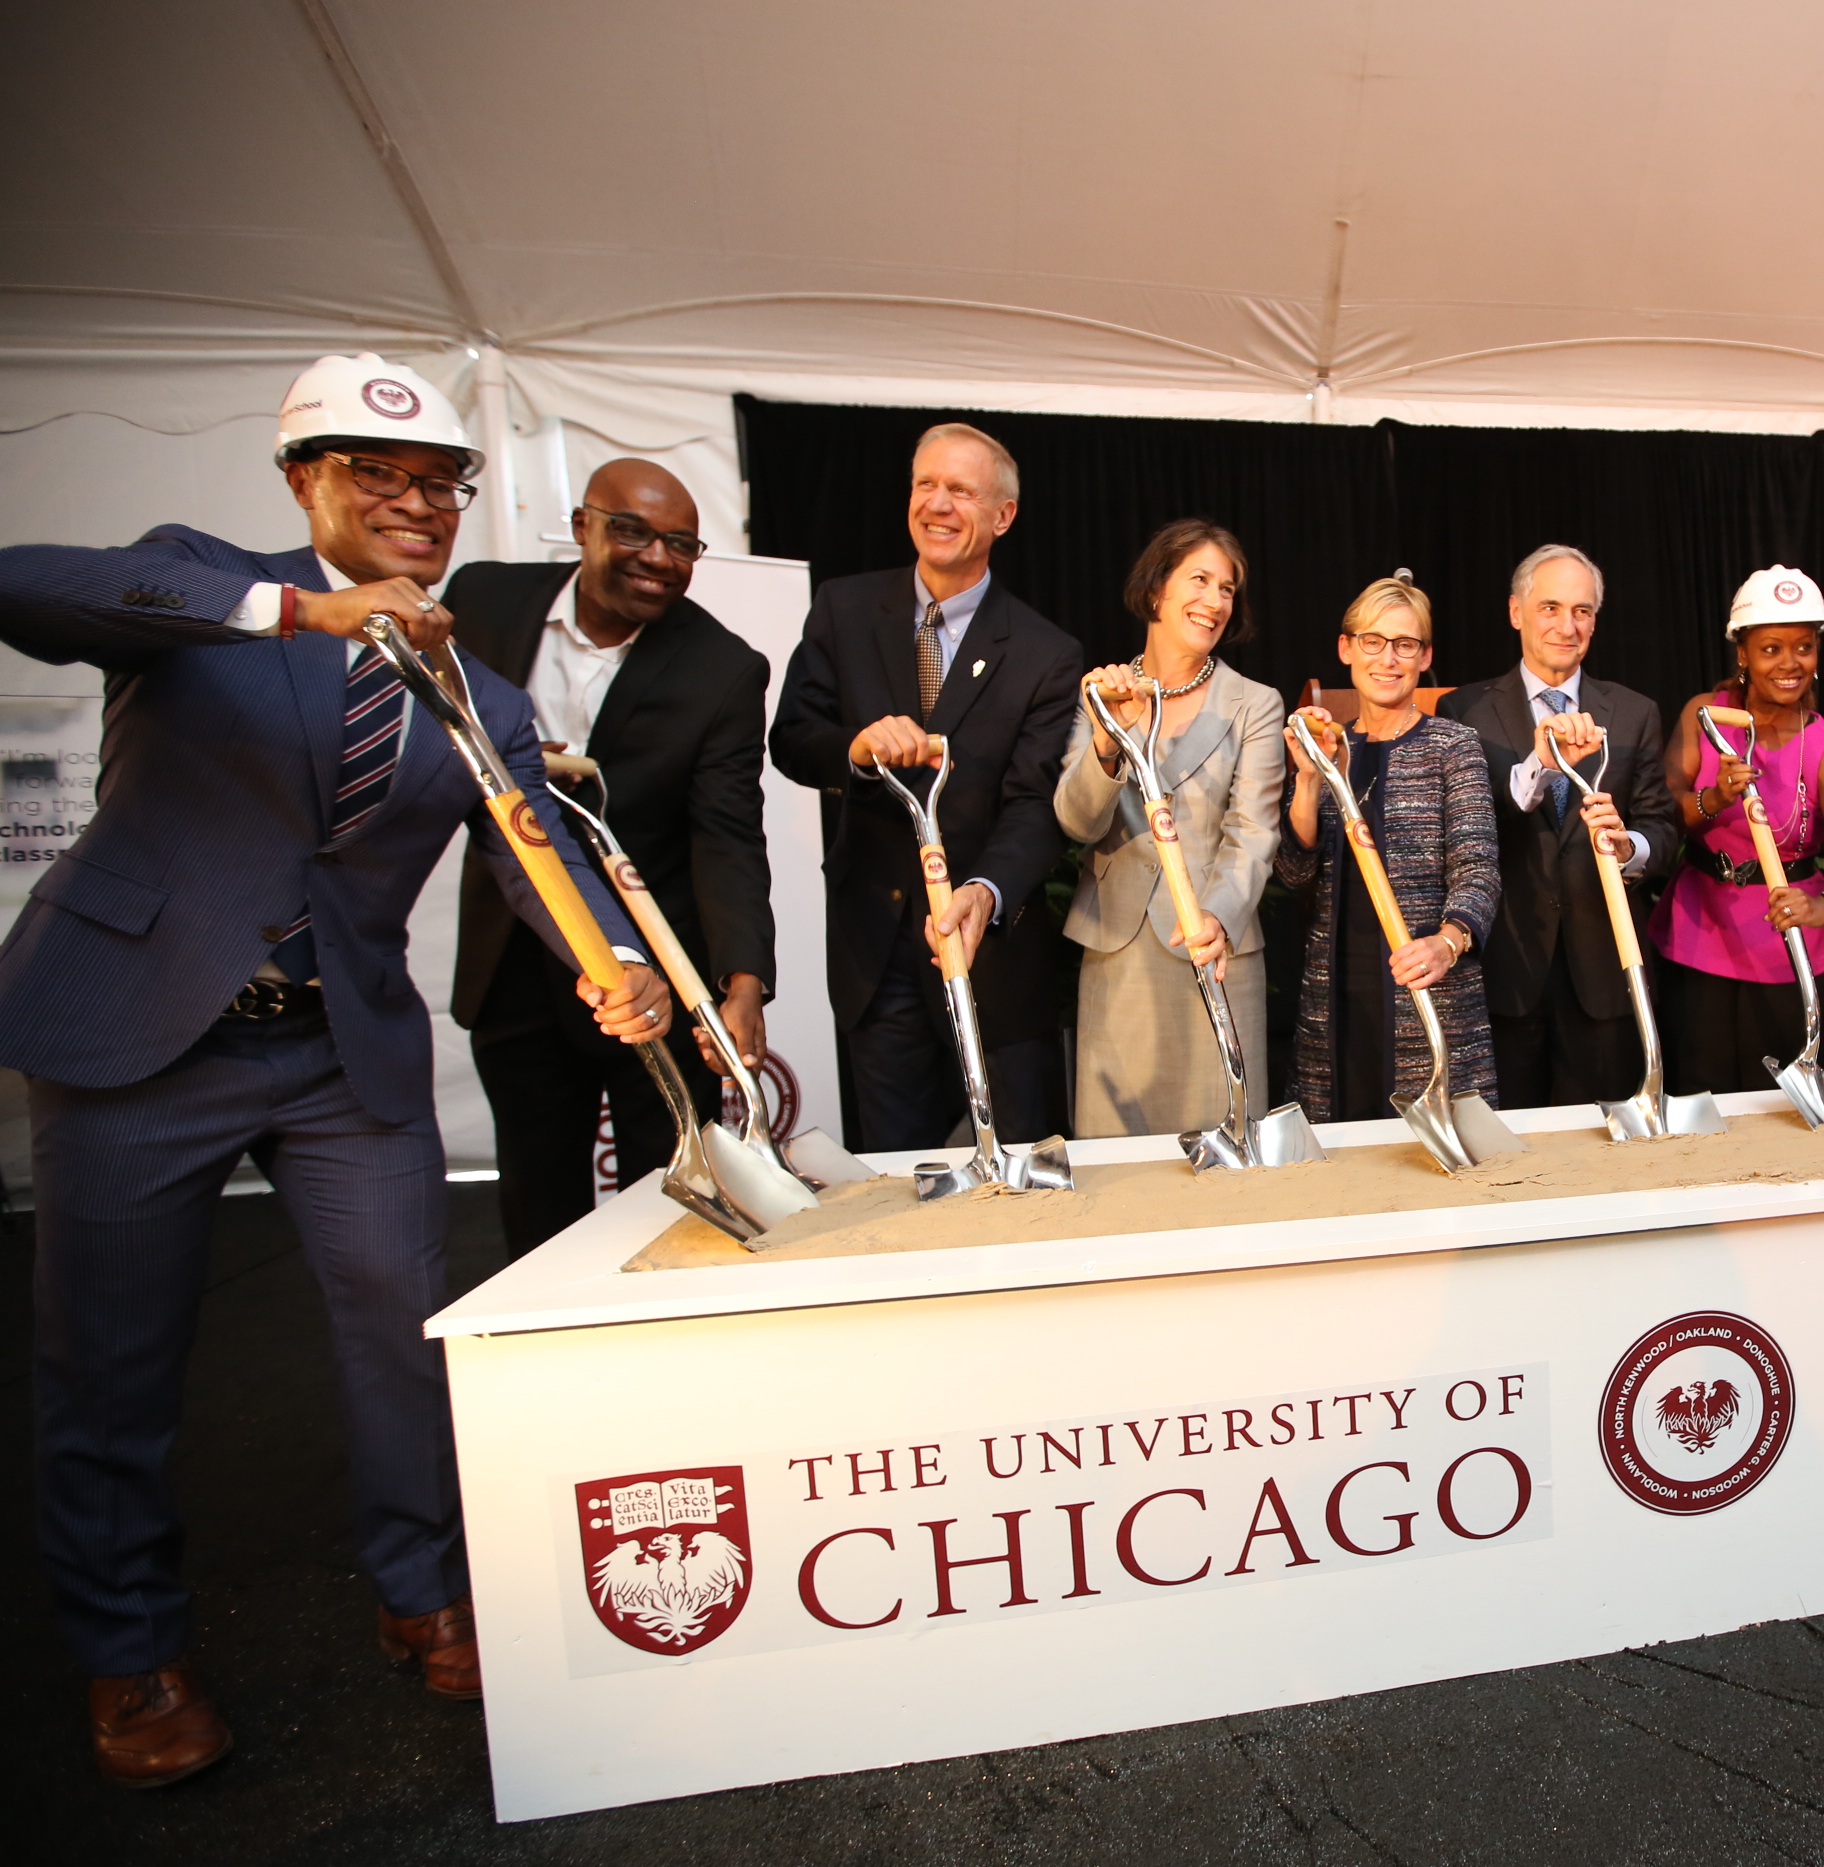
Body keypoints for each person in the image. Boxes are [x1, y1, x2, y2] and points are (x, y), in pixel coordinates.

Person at [0, 353, 666, 1785]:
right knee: (108, 1368)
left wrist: (616, 970)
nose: (419, 507)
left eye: (441, 485)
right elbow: (26, 586)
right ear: (304, 477)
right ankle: (130, 1651)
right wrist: (299, 610)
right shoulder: (204, 586)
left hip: (336, 1053)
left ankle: (421, 1589)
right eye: (381, 478)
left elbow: (532, 846)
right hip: (137, 1041)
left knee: (405, 1333)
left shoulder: (470, 683)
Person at [446, 459, 775, 1254]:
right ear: (583, 526)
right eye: (632, 531)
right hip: (516, 961)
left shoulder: (723, 668)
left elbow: (725, 832)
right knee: (537, 1191)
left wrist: (741, 982)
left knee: (667, 1195)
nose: (658, 559)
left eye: (682, 545)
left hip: (657, 968)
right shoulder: (480, 603)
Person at [769, 422, 1084, 1151]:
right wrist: (852, 747)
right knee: (894, 1170)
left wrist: (988, 892)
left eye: (961, 490)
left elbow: (1036, 803)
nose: (938, 504)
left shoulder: (1045, 652)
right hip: (874, 956)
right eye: (926, 485)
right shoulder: (843, 610)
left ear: (1002, 516)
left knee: (1015, 1165)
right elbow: (791, 738)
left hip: (992, 955)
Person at [1054, 520, 1284, 1138]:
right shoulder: (1100, 693)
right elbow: (1077, 821)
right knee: (1121, 1170)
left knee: (1226, 1157)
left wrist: (1218, 918)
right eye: (1200, 580)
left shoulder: (1254, 703)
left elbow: (1253, 832)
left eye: (1228, 589)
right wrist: (1106, 740)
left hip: (1215, 954)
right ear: (1156, 589)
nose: (1214, 601)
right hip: (1118, 956)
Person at [1436, 544, 1680, 1108]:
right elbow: (1464, 831)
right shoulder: (1462, 712)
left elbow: (1662, 829)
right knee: (1508, 1145)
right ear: (1516, 612)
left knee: (1603, 1149)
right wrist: (1538, 770)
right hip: (1505, 969)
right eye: (1550, 608)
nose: (1566, 626)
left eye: (1582, 611)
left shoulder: (1634, 712)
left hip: (1605, 967)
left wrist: (1629, 848)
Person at [1276, 575, 1500, 1123]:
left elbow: (1479, 870)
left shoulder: (1454, 745)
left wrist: (1448, 943)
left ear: (1425, 657)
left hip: (1425, 989)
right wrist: (1307, 779)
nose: (1388, 658)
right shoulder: (1326, 746)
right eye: (1373, 641)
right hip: (1336, 999)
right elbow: (1295, 874)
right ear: (1346, 648)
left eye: (1405, 645)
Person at [1657, 568, 1824, 1094]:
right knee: (1700, 1094)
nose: (1789, 664)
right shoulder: (1705, 714)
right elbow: (1665, 809)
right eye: (1771, 649)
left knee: (1777, 1105)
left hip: (1788, 944)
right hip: (1698, 933)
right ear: (1743, 653)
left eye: (1803, 648)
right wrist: (1712, 799)